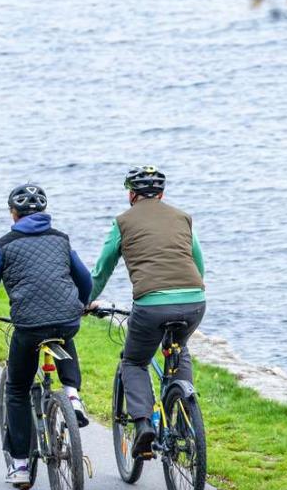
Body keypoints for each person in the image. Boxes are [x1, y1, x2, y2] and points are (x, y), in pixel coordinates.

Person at [0, 183, 93, 485]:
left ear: (13, 213)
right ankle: (72, 394)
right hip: (66, 320)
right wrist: (83, 303)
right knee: (63, 331)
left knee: (17, 389)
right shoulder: (61, 239)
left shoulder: (4, 245)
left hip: (29, 326)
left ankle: (19, 464)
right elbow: (84, 278)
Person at [88, 166, 206, 458]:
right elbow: (198, 263)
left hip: (151, 305)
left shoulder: (122, 222)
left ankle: (143, 425)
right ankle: (184, 420)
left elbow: (102, 270)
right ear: (161, 194)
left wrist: (85, 301)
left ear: (131, 194)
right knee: (180, 349)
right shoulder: (183, 218)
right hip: (194, 300)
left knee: (134, 361)